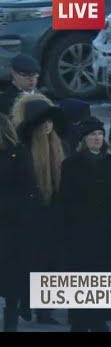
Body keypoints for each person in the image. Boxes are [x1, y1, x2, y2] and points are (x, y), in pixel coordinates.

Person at [58, 117, 111, 332]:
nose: (97, 138)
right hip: (80, 231)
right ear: (84, 139)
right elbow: (65, 200)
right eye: (93, 135)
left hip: (106, 231)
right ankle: (81, 320)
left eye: (100, 134)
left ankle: (98, 318)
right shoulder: (71, 164)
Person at [12, 94, 67, 325]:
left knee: (51, 262)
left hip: (53, 214)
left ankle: (45, 310)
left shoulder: (60, 146)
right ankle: (25, 303)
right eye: (42, 121)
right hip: (28, 217)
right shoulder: (21, 152)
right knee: (28, 263)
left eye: (50, 121)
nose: (47, 125)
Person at [0, 114, 39, 331]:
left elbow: (27, 187)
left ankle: (12, 315)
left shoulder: (18, 153)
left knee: (11, 273)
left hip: (11, 224)